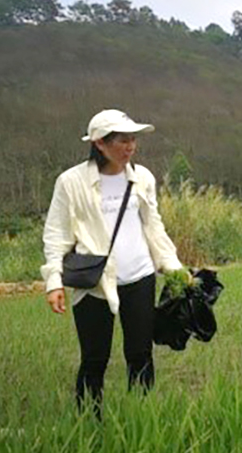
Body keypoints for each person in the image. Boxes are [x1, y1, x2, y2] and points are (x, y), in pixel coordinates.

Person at [41, 109, 185, 417]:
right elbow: (56, 235)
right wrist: (53, 281)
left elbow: (153, 225)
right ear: (99, 143)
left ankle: (141, 418)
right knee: (94, 358)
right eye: (122, 140)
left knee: (140, 354)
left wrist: (173, 269)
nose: (130, 146)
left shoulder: (142, 177)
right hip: (94, 284)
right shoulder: (70, 182)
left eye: (133, 139)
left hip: (140, 277)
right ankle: (89, 423)